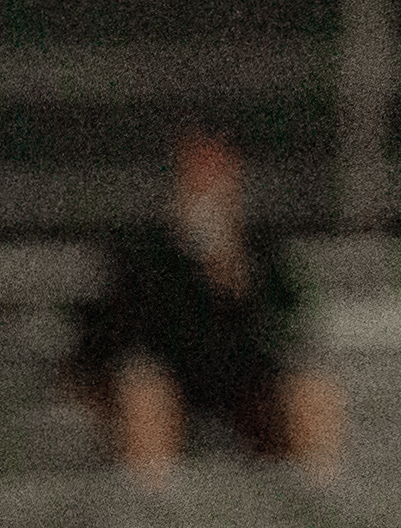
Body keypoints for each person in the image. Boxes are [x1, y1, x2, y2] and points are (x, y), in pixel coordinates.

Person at [74, 132, 334, 475]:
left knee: (313, 391)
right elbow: (123, 329)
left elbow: (285, 326)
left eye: (220, 177)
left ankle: (317, 492)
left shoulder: (262, 249)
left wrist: (232, 272)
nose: (210, 189)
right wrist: (185, 258)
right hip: (170, 370)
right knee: (144, 392)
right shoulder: (141, 249)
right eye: (198, 178)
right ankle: (154, 502)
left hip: (241, 373)